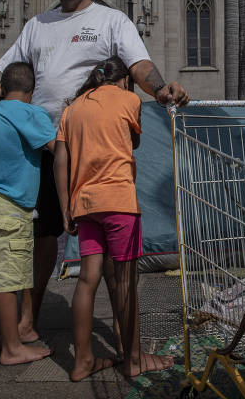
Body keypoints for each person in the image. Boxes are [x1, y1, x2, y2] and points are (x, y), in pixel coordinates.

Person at [0, 0, 190, 344]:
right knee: (45, 234)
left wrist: (160, 88)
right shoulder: (37, 25)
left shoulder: (111, 20)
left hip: (95, 153)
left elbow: (138, 65)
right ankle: (29, 320)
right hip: (45, 147)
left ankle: (124, 337)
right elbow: (10, 78)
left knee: (113, 251)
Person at [55, 58, 173, 380]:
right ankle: (133, 360)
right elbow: (132, 141)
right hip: (119, 202)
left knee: (87, 279)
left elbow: (61, 161)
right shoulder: (129, 100)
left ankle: (82, 362)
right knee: (125, 281)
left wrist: (66, 207)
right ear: (124, 81)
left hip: (85, 204)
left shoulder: (72, 109)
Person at [0, 62, 56, 365]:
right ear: (31, 93)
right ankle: (12, 348)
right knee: (9, 278)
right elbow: (56, 146)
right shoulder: (32, 113)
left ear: (2, 90)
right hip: (10, 206)